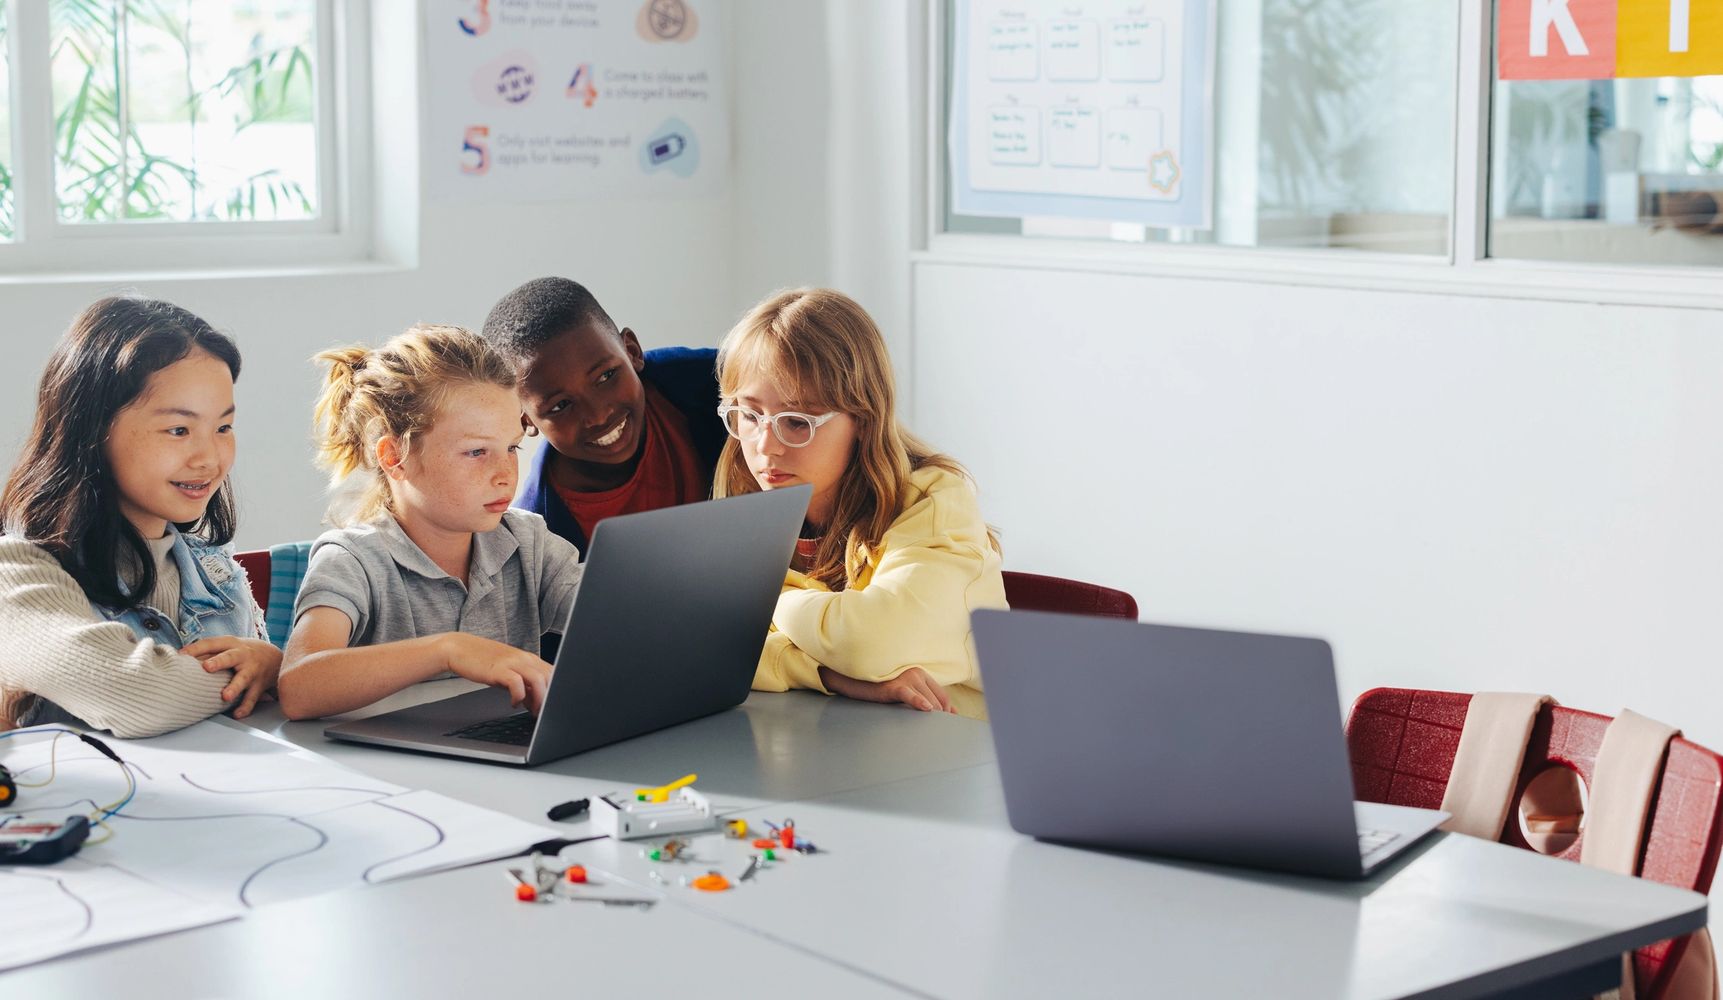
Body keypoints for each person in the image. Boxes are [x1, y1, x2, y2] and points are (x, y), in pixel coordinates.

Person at [713, 288, 1008, 719]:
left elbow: (872, 642)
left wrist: (765, 603)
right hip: (832, 742)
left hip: (958, 756)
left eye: (796, 422)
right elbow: (701, 653)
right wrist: (831, 676)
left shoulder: (933, 503)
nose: (765, 446)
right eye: (750, 414)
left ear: (863, 422)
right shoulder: (755, 510)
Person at [0, 296, 277, 737]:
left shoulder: (215, 570)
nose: (209, 458)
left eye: (223, 427)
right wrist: (264, 674)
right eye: (178, 430)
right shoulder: (18, 575)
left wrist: (269, 665)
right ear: (92, 429)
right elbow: (136, 697)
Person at [278, 325, 582, 720]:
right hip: (387, 771)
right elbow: (299, 687)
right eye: (476, 452)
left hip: (500, 759)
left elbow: (617, 618)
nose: (506, 473)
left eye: (511, 447)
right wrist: (449, 650)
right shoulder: (352, 560)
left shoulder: (529, 542)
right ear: (394, 457)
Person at [480, 277, 726, 553]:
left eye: (606, 376)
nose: (597, 415)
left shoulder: (714, 382)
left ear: (631, 351)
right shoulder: (540, 536)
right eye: (561, 405)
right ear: (524, 419)